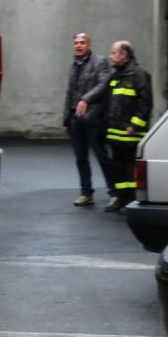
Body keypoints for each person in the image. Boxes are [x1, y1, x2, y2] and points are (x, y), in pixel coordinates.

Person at [95, 40, 151, 213]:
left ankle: (132, 200)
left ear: (124, 55)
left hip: (130, 134)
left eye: (113, 53)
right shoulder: (116, 75)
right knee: (118, 167)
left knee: (130, 167)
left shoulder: (139, 74)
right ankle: (121, 197)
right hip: (115, 133)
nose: (110, 56)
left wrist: (134, 126)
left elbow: (145, 104)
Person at [63, 33, 112, 207]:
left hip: (93, 116)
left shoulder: (100, 62)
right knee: (80, 157)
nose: (79, 45)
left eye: (82, 43)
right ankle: (86, 193)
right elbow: (69, 92)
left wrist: (85, 99)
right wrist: (66, 119)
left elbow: (103, 84)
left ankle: (114, 193)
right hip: (75, 117)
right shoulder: (73, 66)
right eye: (76, 43)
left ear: (89, 45)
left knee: (102, 155)